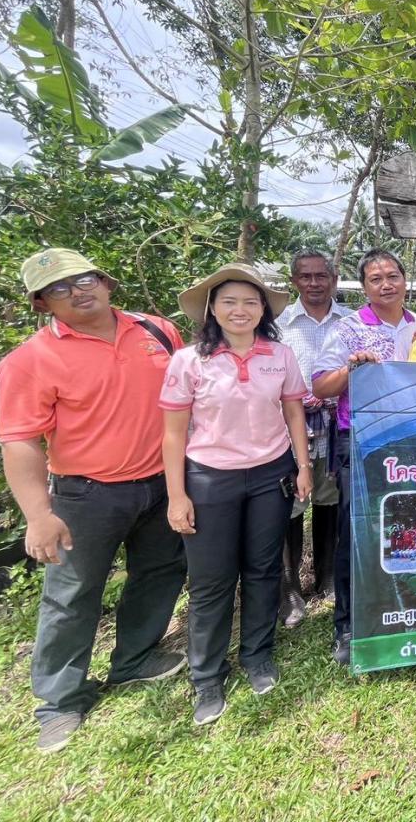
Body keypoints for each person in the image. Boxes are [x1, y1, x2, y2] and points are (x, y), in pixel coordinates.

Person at [0, 249, 188, 754]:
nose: (77, 292)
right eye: (59, 288)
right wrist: (39, 515)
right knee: (72, 594)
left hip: (164, 482)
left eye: (84, 280)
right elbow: (19, 441)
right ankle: (60, 700)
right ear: (42, 303)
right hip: (87, 493)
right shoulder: (29, 361)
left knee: (160, 572)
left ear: (105, 281)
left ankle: (134, 659)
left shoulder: (157, 331)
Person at [161, 264, 312, 725]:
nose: (240, 310)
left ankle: (257, 655)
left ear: (263, 309)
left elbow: (293, 413)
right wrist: (176, 495)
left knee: (264, 570)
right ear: (212, 309)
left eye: (250, 302)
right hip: (210, 478)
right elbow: (173, 434)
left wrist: (303, 467)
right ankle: (207, 675)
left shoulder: (280, 355)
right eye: (229, 302)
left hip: (271, 475)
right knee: (212, 581)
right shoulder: (189, 361)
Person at [311, 249, 416, 665]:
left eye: (392, 276)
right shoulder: (348, 329)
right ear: (364, 287)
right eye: (376, 279)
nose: (386, 284)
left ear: (404, 280)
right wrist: (351, 370)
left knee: (410, 528)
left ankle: (406, 610)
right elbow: (321, 387)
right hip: (361, 440)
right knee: (356, 532)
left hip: (411, 442)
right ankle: (348, 625)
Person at [276, 249, 351, 626]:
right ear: (294, 281)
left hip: (336, 426)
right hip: (290, 427)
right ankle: (289, 589)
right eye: (305, 276)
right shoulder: (279, 325)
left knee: (331, 499)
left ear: (333, 279)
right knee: (289, 506)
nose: (314, 283)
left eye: (321, 276)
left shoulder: (351, 321)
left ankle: (327, 576)